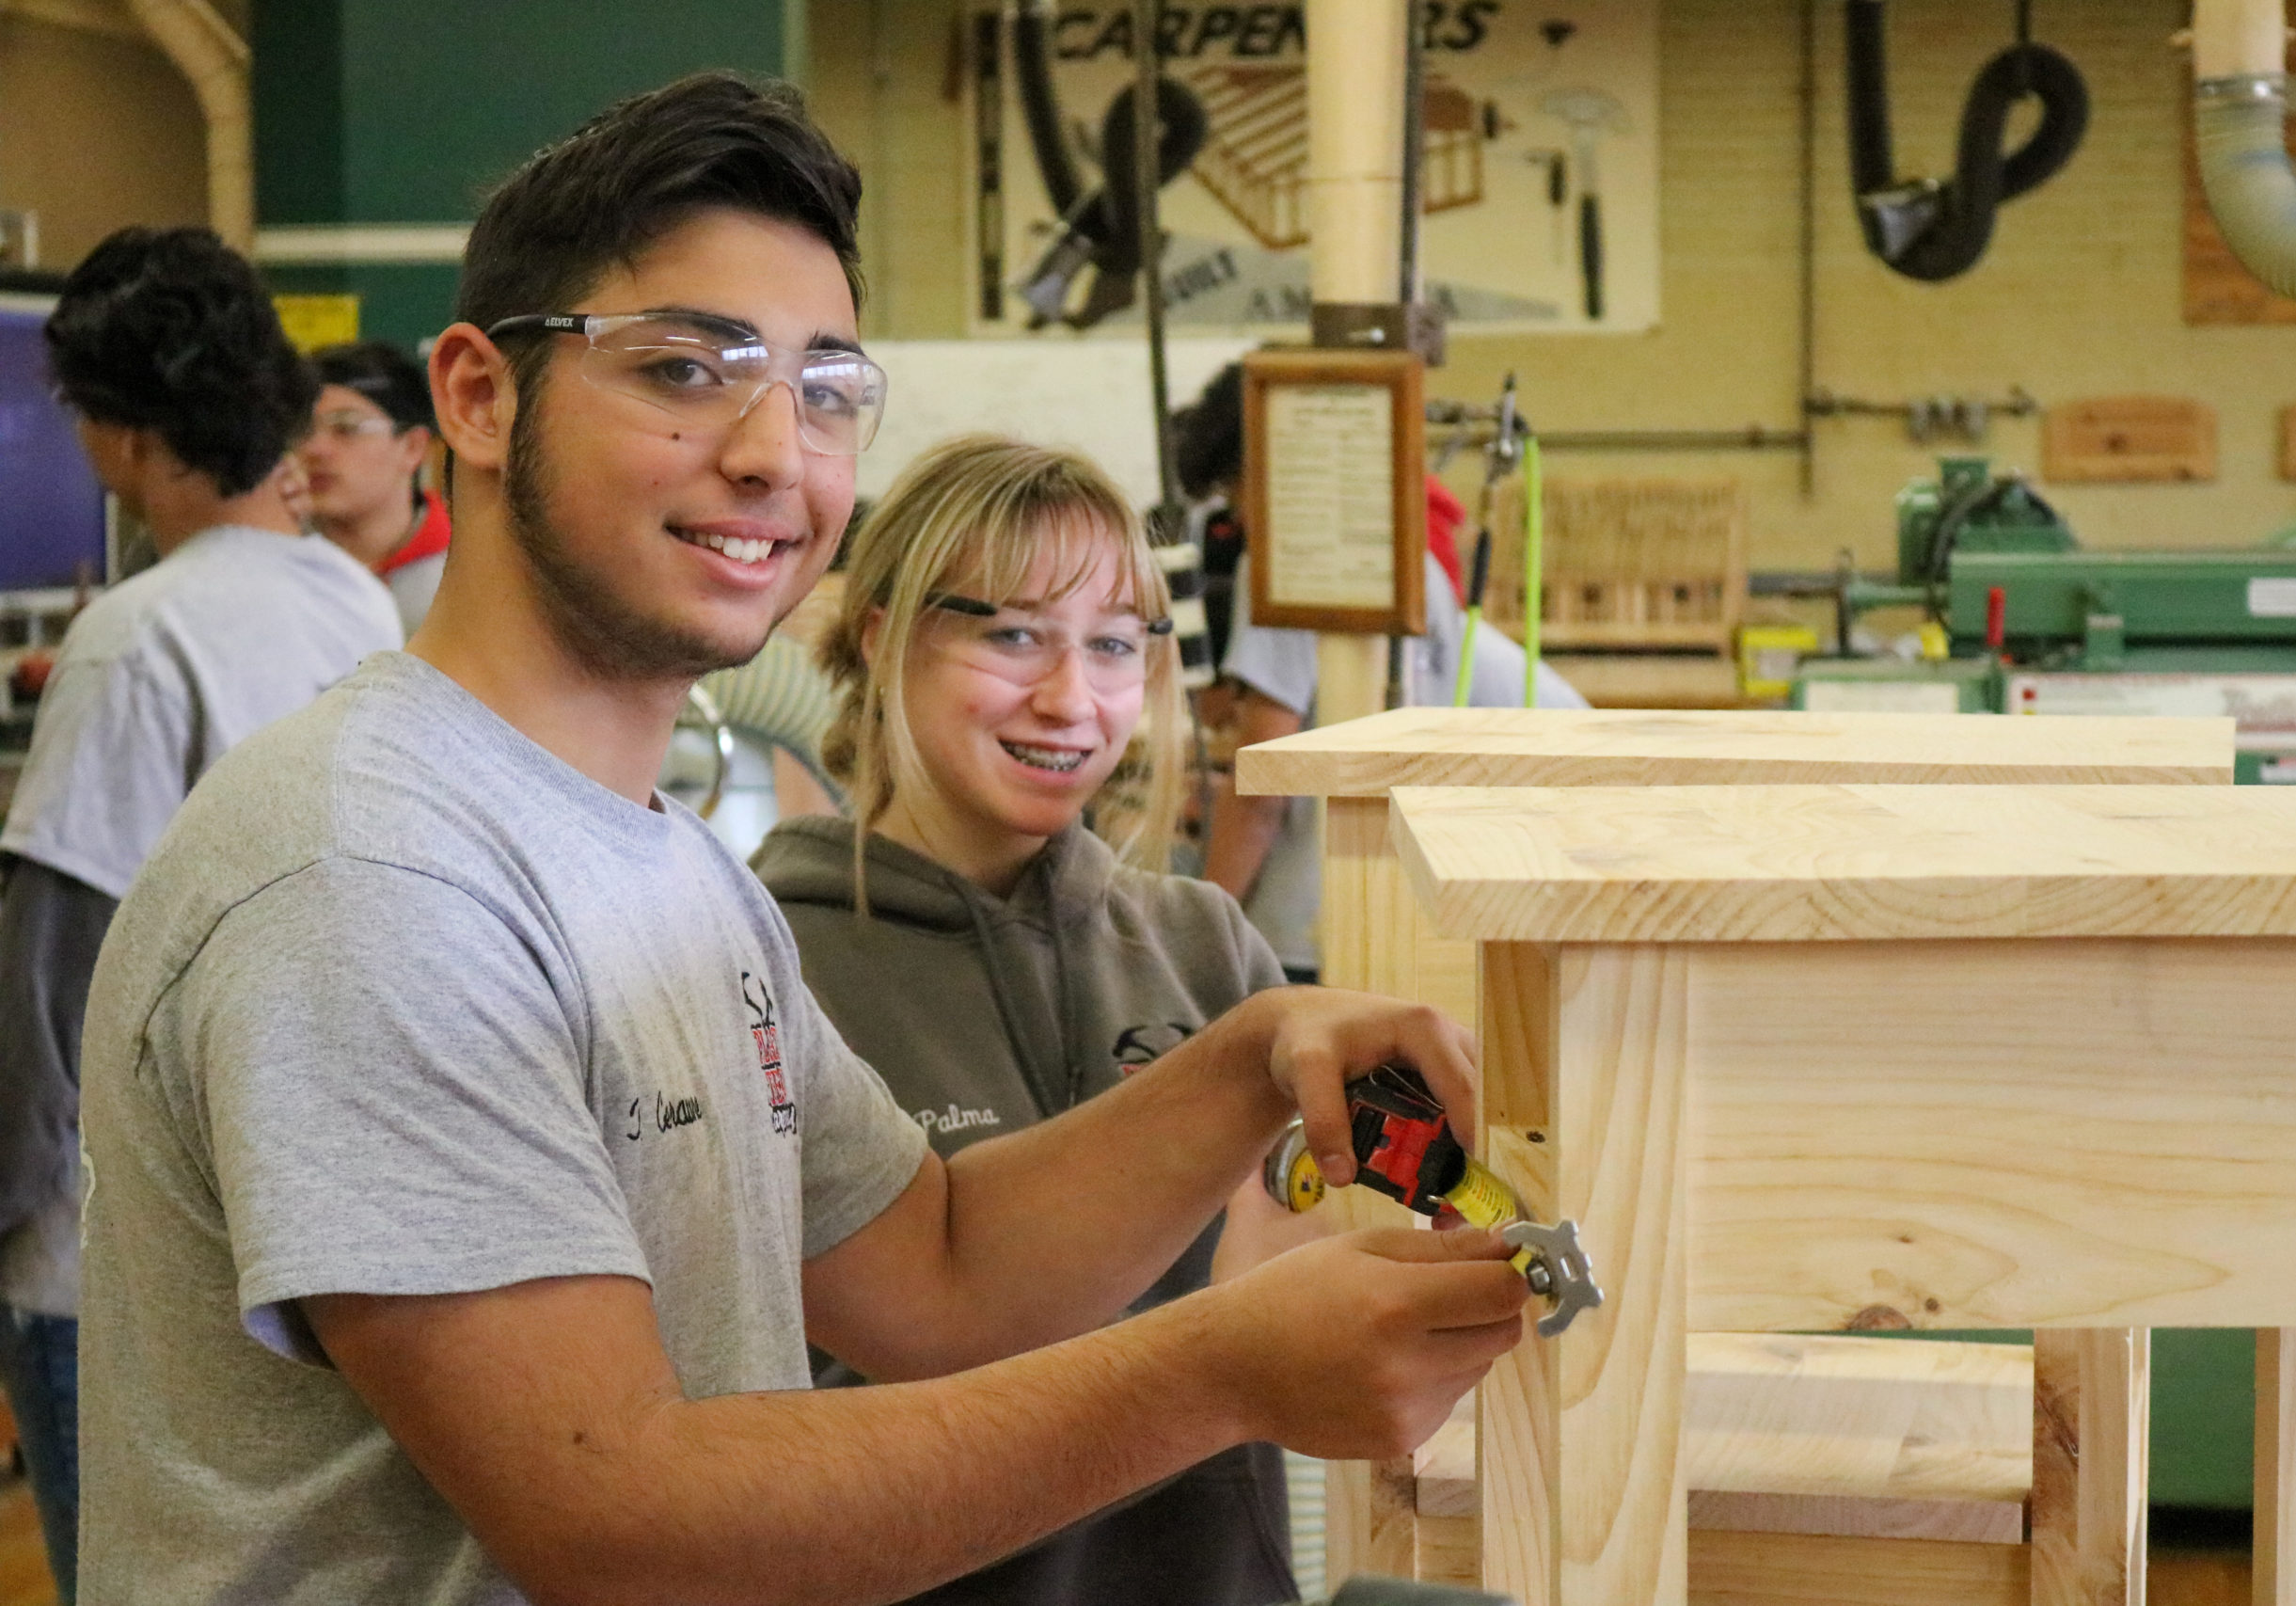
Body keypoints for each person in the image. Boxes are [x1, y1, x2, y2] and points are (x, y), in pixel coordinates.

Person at [75, 72, 1528, 1605]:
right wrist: (1219, 1374)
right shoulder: (375, 880)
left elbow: (939, 1266)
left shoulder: (674, 868)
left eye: (827, 385)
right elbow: (621, 1526)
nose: (777, 451)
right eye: (687, 369)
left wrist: (1251, 1057)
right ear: (480, 398)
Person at [753, 434, 1317, 1606]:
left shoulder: (1204, 946)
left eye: (1113, 646)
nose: (1071, 699)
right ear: (882, 637)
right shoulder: (766, 967)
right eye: (1013, 635)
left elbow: (1293, 1307)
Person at [0, 225, 404, 1602]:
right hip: (313, 1210)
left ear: (117, 433)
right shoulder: (354, 601)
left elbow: (55, 971)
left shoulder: (137, 635)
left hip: (114, 1241)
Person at [1176, 362, 1589, 981]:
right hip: (1431, 909)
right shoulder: (1404, 555)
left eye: (1237, 498)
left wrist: (1192, 948)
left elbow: (1265, 781)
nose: (1242, 524)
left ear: (1274, 467)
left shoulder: (1289, 561)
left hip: (1314, 930)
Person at [298, 339, 451, 633]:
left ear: (412, 447)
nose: (315, 448)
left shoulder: (472, 572)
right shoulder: (272, 560)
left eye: (347, 428)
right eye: (302, 429)